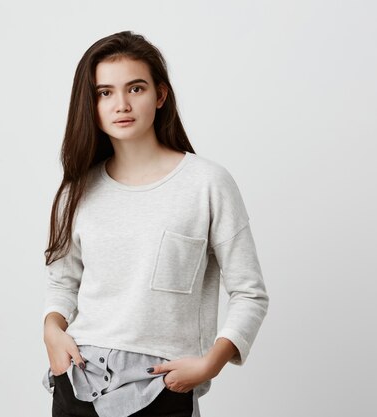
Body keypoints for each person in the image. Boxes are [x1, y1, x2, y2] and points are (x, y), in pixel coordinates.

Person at [41, 30, 269, 417]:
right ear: (91, 103)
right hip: (78, 380)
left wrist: (211, 362)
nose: (121, 104)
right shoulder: (76, 191)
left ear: (160, 95)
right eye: (105, 92)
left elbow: (250, 293)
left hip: (162, 384)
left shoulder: (207, 184)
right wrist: (51, 330)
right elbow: (63, 282)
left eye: (136, 88)